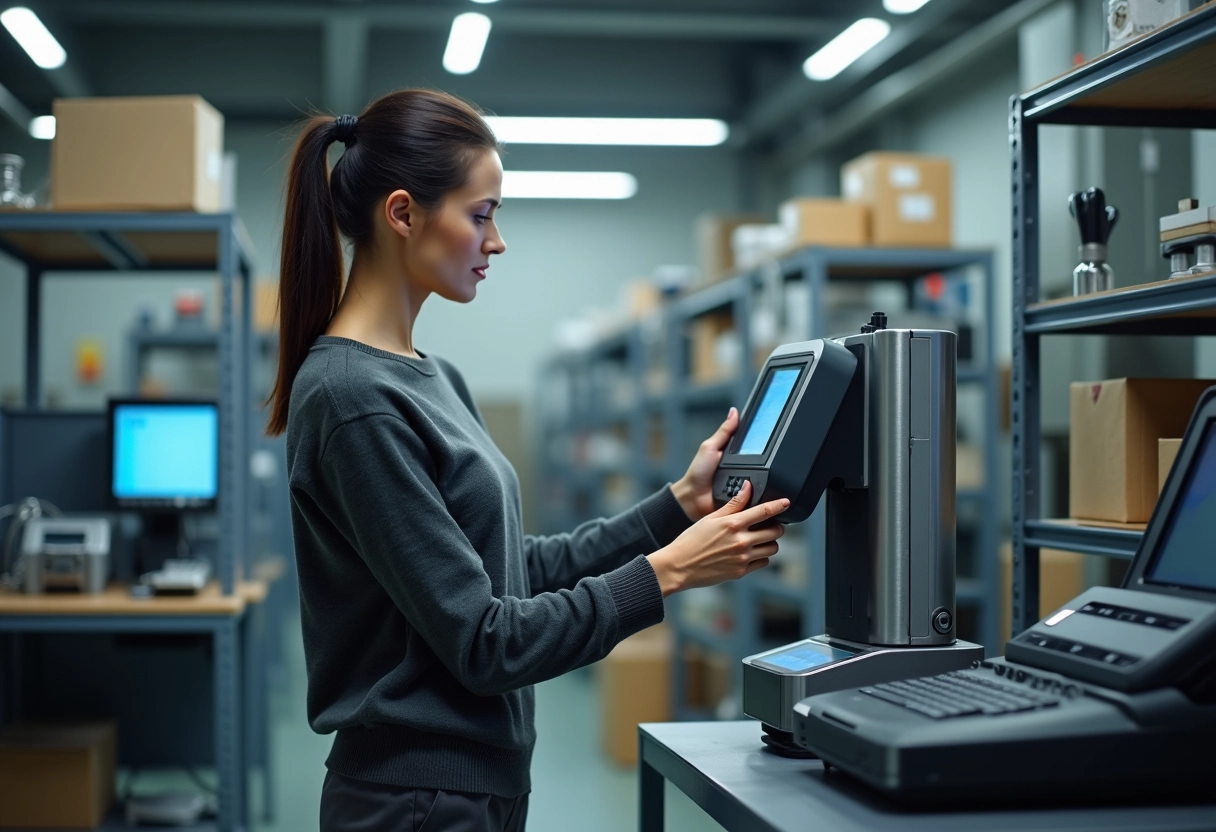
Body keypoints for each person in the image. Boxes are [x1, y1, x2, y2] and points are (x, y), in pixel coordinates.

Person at [266, 88, 788, 832]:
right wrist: (671, 571)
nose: (498, 240)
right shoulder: (354, 398)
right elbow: (485, 641)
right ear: (405, 214)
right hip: (414, 805)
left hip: (477, 791)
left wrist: (676, 508)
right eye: (481, 215)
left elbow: (513, 567)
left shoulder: (434, 377)